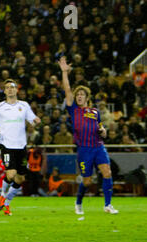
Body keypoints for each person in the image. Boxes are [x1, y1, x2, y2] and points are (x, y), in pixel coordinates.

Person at [58, 56, 118, 215]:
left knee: (107, 172)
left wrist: (103, 131)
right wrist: (64, 73)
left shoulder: (95, 112)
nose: (79, 96)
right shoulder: (73, 110)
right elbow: (67, 89)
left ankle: (108, 205)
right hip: (84, 150)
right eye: (78, 95)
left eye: (82, 95)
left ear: (87, 97)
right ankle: (78, 202)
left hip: (98, 147)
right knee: (87, 181)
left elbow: (100, 127)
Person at [0, 79, 41, 216]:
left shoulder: (24, 105)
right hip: (6, 144)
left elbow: (32, 120)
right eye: (7, 87)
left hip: (21, 145)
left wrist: (36, 121)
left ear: (16, 90)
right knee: (11, 174)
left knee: (20, 178)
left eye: (12, 87)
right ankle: (2, 195)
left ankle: (6, 203)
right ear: (4, 91)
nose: (10, 89)